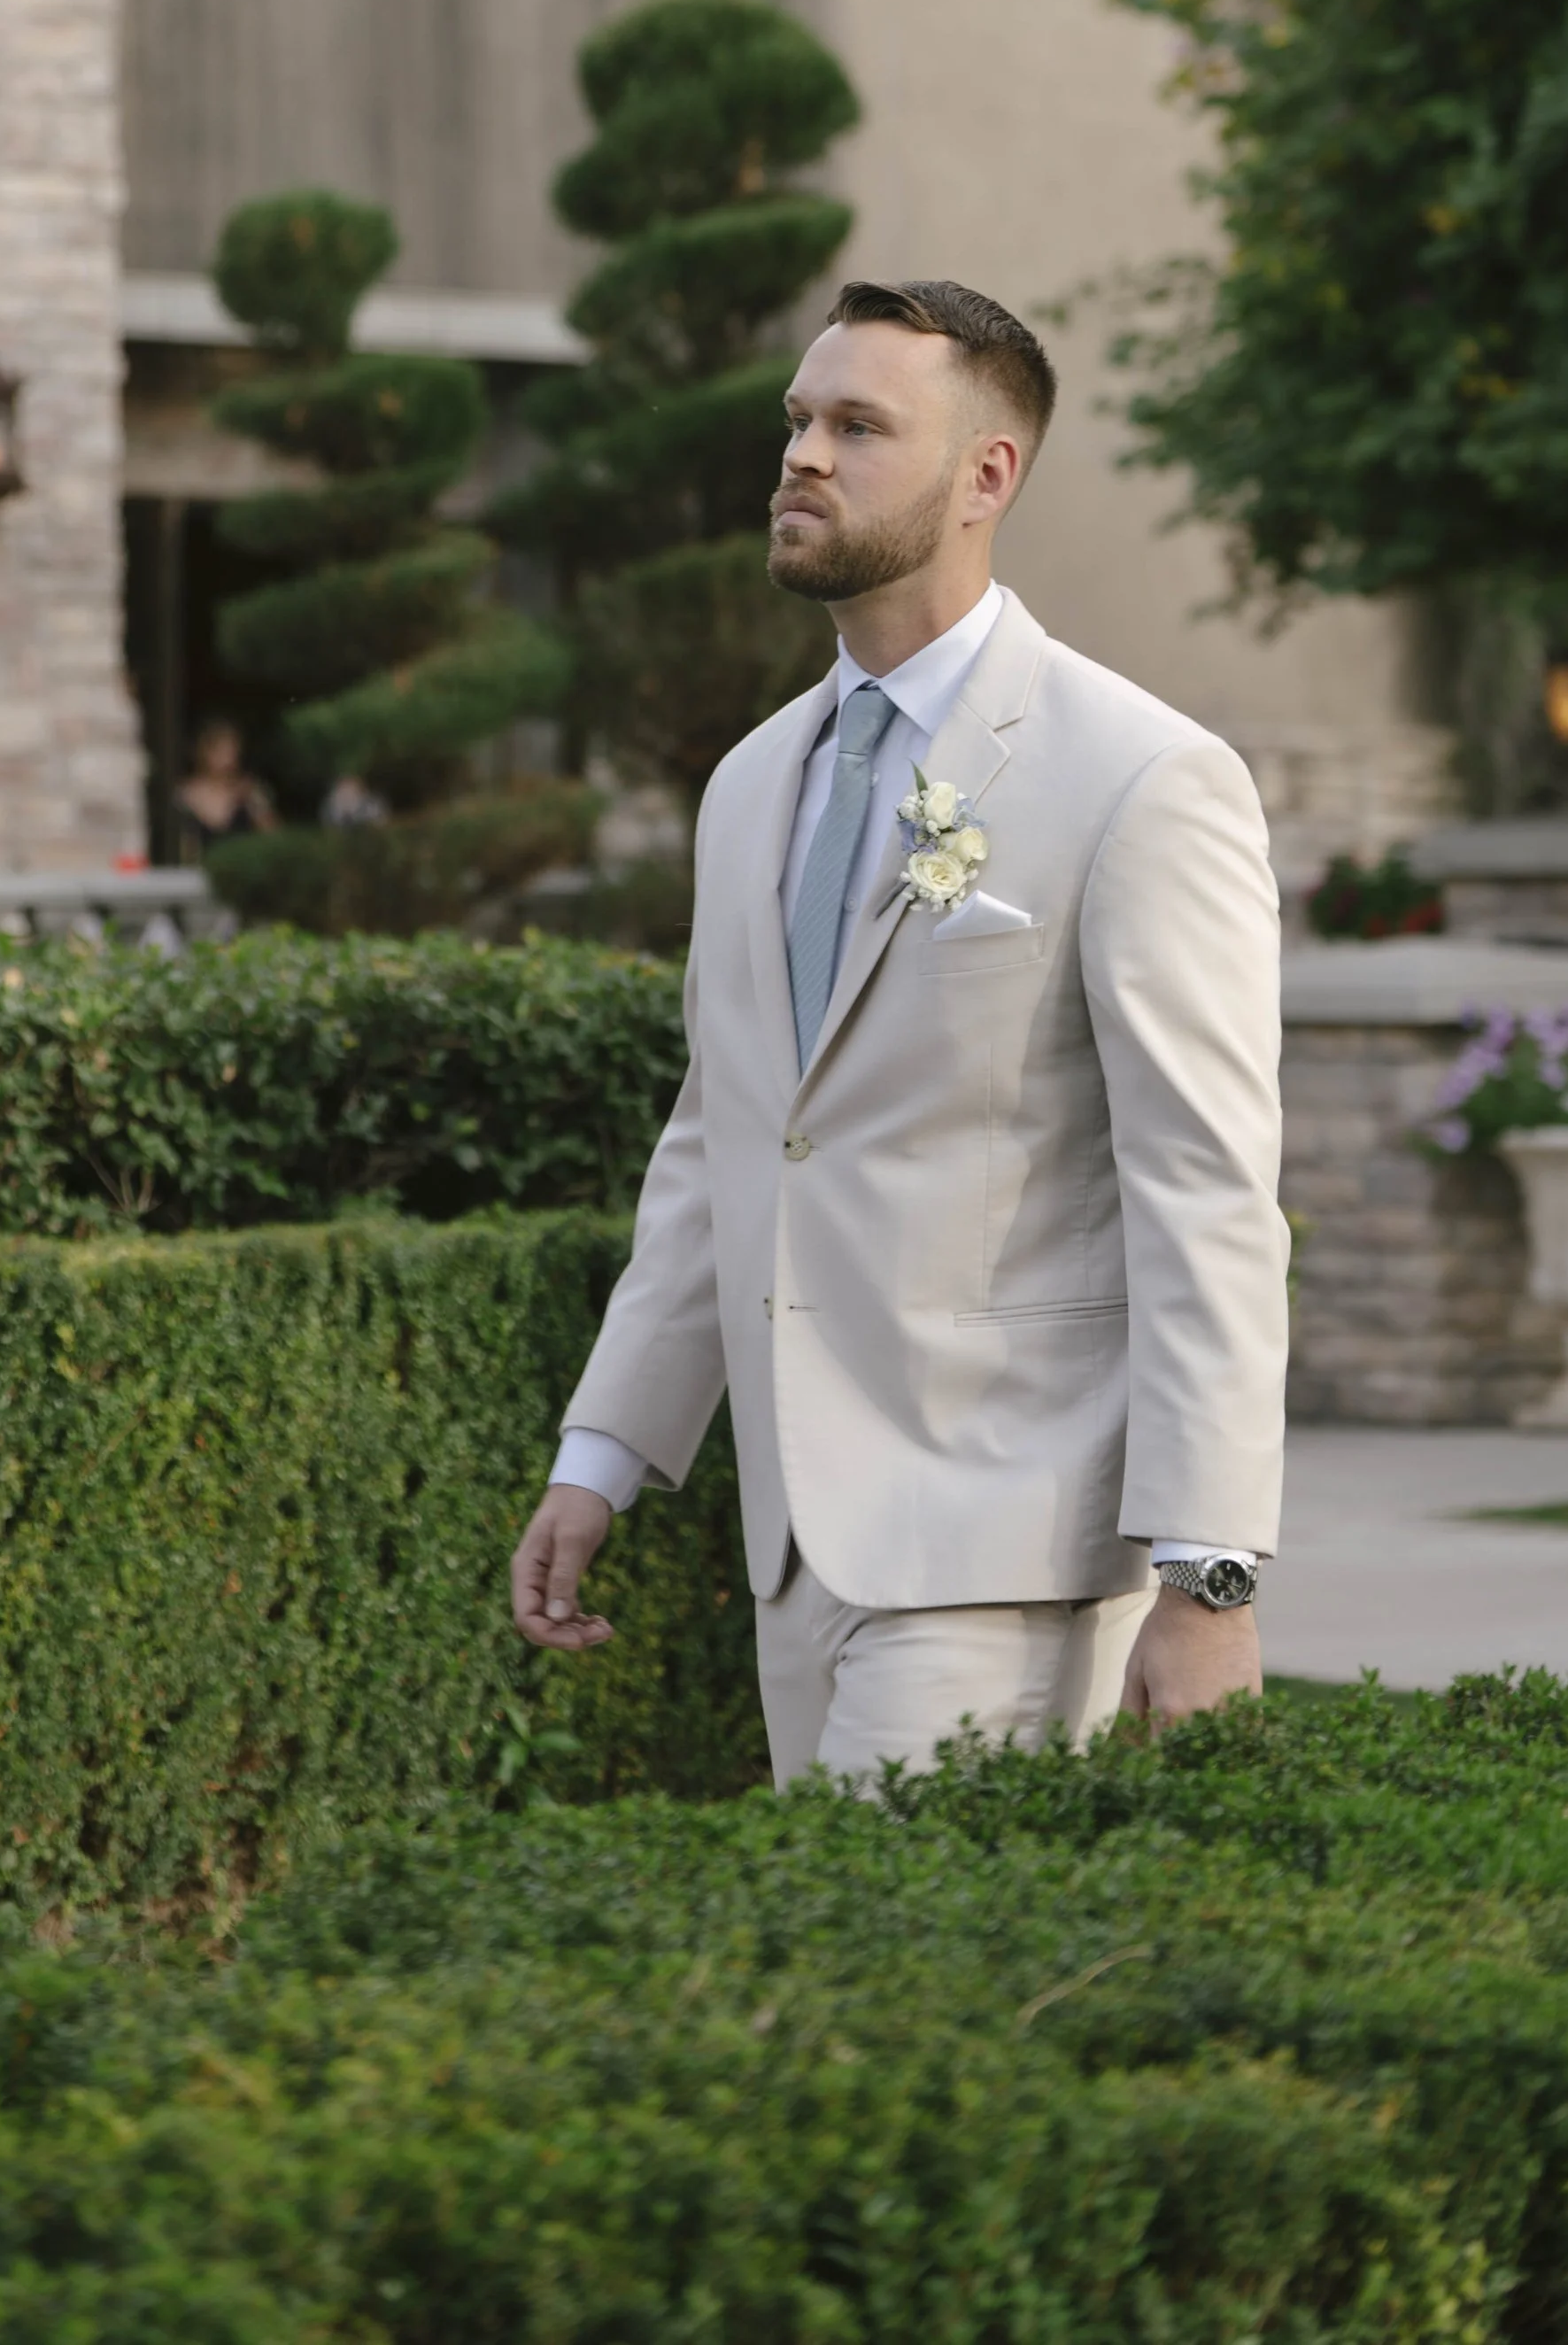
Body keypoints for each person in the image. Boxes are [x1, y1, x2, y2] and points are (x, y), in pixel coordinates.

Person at [510, 277, 1286, 1784]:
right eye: (798, 420)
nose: (804, 455)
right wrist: (600, 1454)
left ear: (986, 475)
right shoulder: (751, 783)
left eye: (859, 427)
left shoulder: (1142, 776)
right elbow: (726, 1142)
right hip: (795, 1557)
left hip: (1010, 1555)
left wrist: (1210, 1576)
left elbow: (1204, 1193)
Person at [172, 718, 274, 860]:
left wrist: (255, 803)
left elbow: (273, 836)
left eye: (232, 752)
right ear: (203, 752)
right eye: (220, 751)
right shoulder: (185, 793)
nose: (228, 759)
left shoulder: (249, 791)